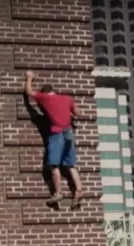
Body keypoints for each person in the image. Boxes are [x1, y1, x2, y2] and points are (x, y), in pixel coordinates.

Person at [24, 71, 84, 208]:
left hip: (57, 134)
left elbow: (29, 92)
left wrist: (29, 77)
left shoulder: (44, 98)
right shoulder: (67, 99)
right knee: (71, 165)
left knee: (53, 165)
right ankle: (79, 190)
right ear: (54, 91)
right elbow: (78, 113)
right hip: (69, 133)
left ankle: (58, 193)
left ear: (45, 92)